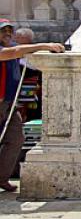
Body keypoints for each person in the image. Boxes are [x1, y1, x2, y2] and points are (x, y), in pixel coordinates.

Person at [0, 20, 64, 192]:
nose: (6, 33)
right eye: (2, 31)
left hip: (9, 104)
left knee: (16, 139)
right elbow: (14, 52)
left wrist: (48, 51)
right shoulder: (7, 51)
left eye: (8, 30)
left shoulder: (14, 49)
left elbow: (28, 61)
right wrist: (43, 44)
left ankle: (2, 177)